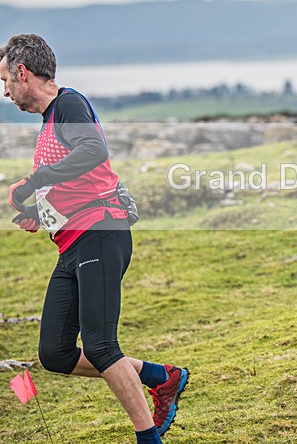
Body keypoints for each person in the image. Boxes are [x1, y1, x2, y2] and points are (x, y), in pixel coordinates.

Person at [1, 34, 189, 443]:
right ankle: (163, 377)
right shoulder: (50, 120)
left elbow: (94, 152)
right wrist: (37, 212)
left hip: (101, 233)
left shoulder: (68, 103)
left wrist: (33, 181)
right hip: (72, 243)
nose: (5, 92)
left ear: (22, 72)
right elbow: (76, 181)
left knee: (102, 346)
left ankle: (148, 438)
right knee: (55, 352)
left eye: (5, 81)